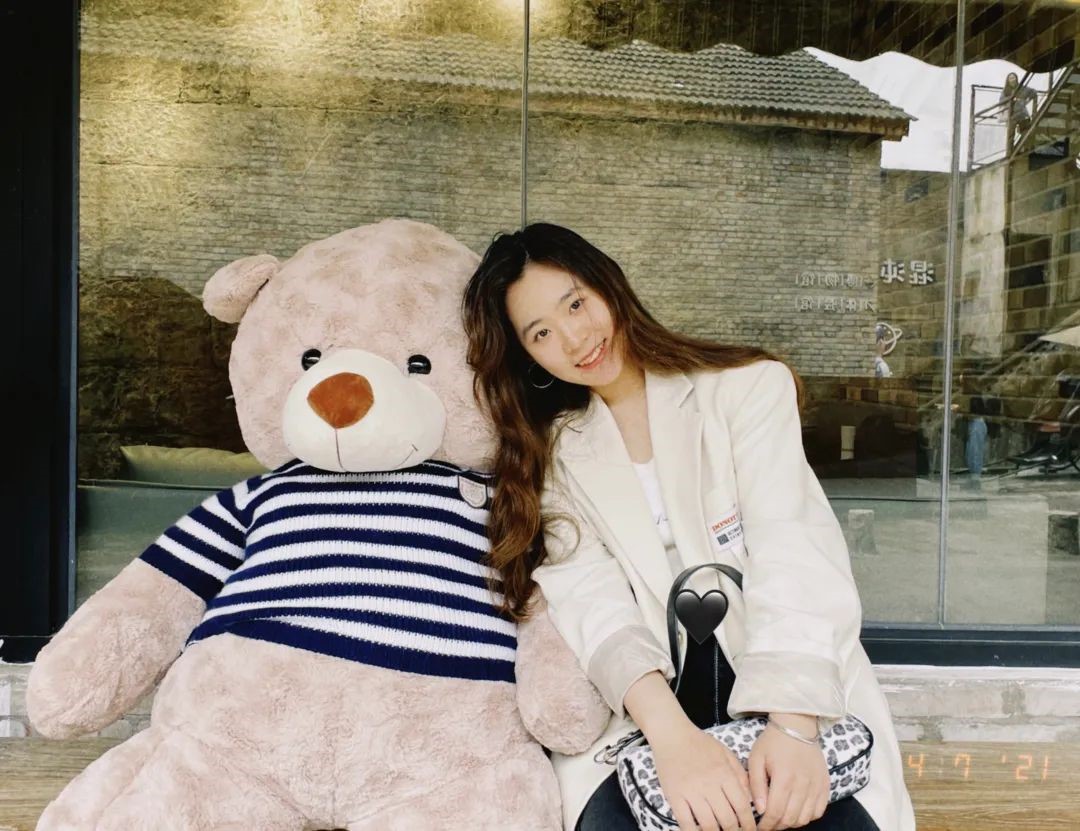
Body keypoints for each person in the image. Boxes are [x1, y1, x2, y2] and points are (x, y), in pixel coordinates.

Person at [462, 224, 915, 831]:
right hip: (649, 700)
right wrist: (674, 741)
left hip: (786, 674)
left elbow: (793, 547)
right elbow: (593, 602)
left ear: (608, 285)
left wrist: (793, 727)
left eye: (575, 303)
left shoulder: (746, 388)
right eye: (540, 332)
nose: (574, 338)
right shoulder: (554, 452)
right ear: (527, 356)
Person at [999, 72, 1037, 152]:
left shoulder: (1022, 88)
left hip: (1022, 114)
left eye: (1014, 78)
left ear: (1016, 79)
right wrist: (1011, 99)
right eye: (1010, 78)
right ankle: (1010, 153)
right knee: (1010, 136)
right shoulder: (1005, 91)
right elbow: (1001, 101)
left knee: (1026, 132)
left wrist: (1027, 100)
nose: (1012, 80)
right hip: (1011, 115)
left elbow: (1034, 92)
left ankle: (1026, 150)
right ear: (1008, 80)